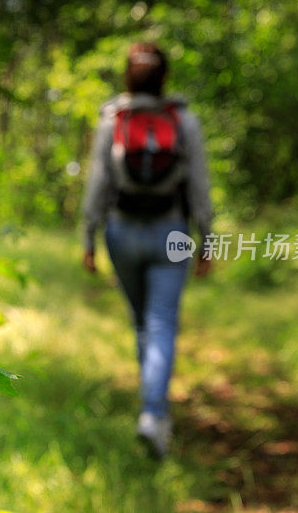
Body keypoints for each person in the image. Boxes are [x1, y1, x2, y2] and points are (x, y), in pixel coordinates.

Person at [81, 42, 213, 458]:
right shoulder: (184, 120)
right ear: (164, 78)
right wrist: (207, 239)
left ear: (128, 76)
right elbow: (199, 187)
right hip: (171, 231)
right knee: (161, 323)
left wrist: (88, 237)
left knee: (143, 322)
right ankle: (154, 414)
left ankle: (152, 406)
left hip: (121, 231)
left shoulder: (113, 119)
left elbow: (98, 184)